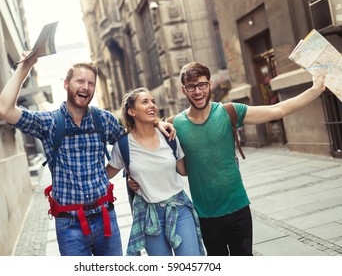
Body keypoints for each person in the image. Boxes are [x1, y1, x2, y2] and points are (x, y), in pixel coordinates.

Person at [129, 62, 325, 256]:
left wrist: (315, 90)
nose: (198, 91)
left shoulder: (229, 111)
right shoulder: (174, 124)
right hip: (206, 215)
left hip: (238, 207)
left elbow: (278, 110)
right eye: (191, 87)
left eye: (202, 85)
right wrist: (135, 176)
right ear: (184, 90)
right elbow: (142, 136)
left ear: (210, 84)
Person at [0, 51, 175, 256]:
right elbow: (3, 109)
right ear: (66, 84)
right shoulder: (49, 123)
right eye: (80, 81)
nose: (86, 87)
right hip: (69, 226)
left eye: (91, 83)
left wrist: (156, 123)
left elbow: (132, 142)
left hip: (105, 218)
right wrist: (25, 66)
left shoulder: (102, 119)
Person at [106, 88, 205, 256]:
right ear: (132, 111)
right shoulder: (123, 145)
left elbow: (184, 170)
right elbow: (104, 176)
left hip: (179, 209)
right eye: (145, 102)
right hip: (149, 215)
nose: (152, 105)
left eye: (153, 101)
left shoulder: (169, 135)